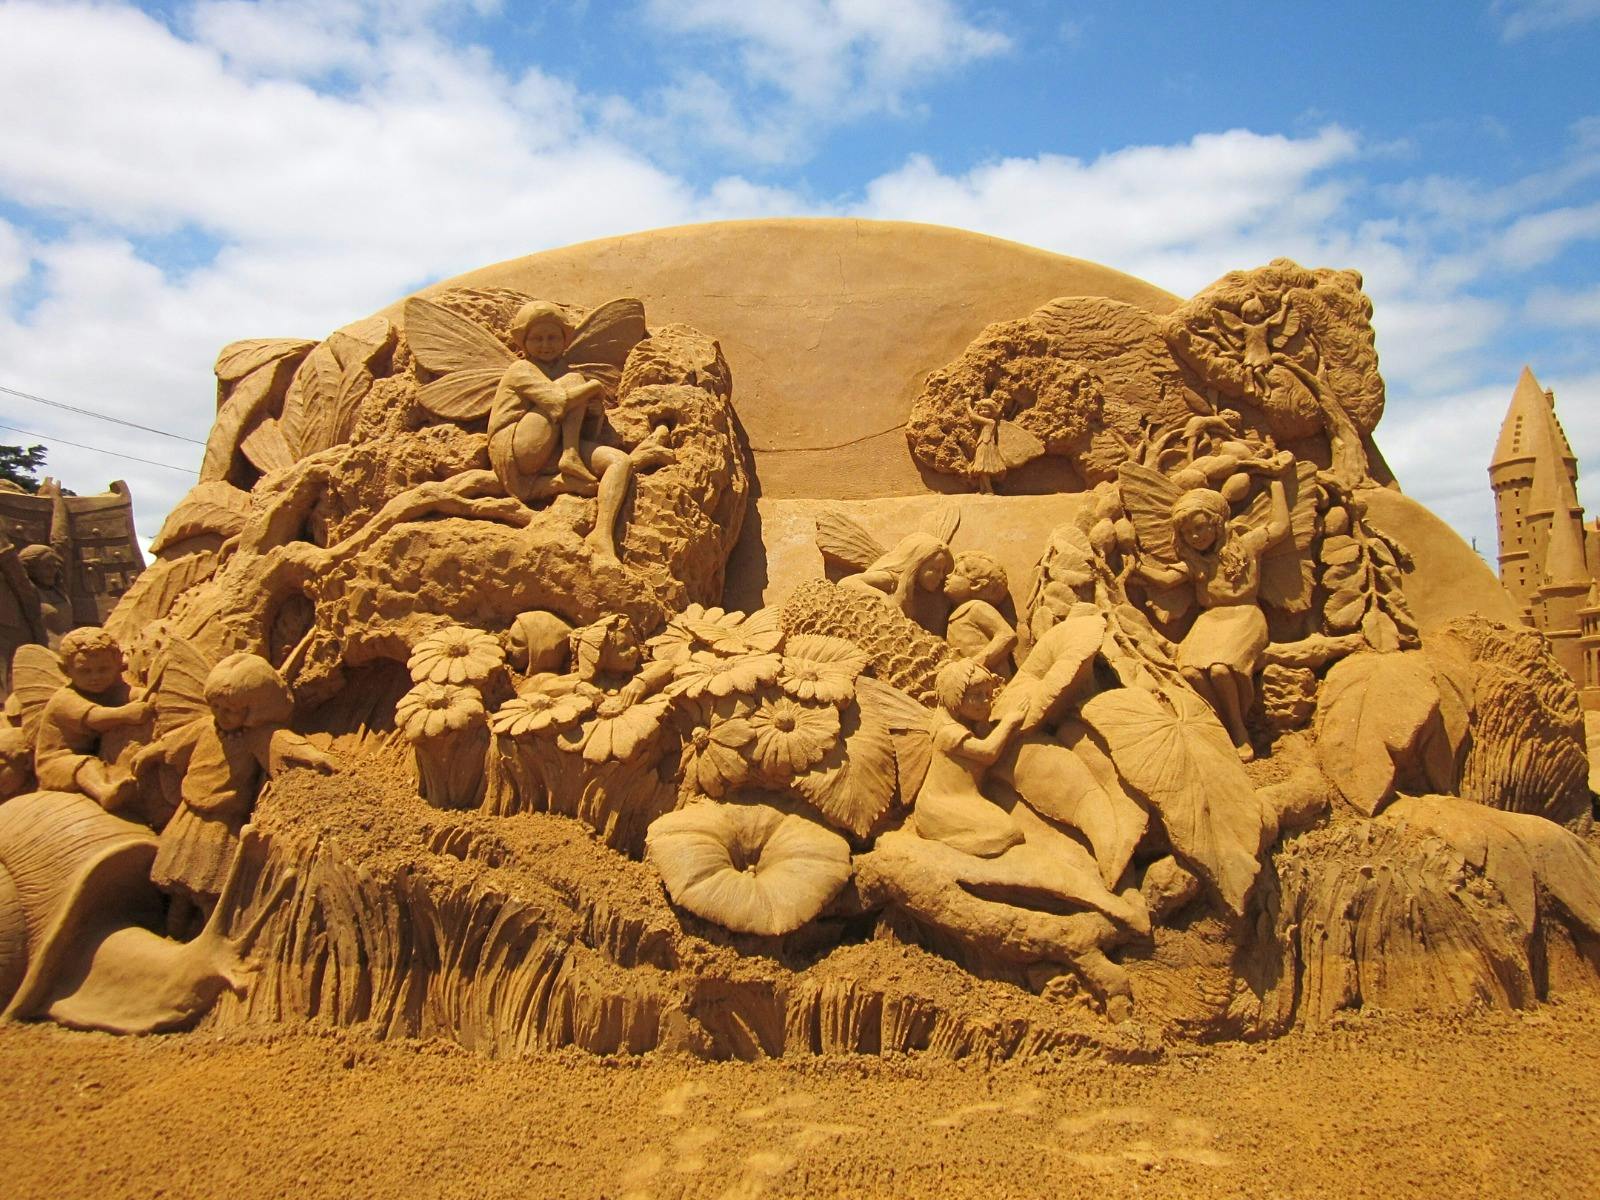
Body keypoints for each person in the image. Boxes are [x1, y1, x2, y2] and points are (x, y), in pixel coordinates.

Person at [140, 653, 334, 924]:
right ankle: (174, 928)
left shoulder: (255, 736)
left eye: (230, 710)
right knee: (179, 884)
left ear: (254, 710)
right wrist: (148, 754)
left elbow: (284, 744)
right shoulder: (206, 727)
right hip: (188, 815)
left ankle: (209, 928)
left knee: (209, 887)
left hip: (223, 823)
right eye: (215, 706)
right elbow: (172, 743)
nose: (220, 714)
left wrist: (314, 756)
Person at [1131, 457, 1293, 760]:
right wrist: (1134, 567)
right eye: (1188, 533)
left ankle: (1238, 730)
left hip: (1243, 616)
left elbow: (1280, 527)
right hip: (1210, 621)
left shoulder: (1247, 545)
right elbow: (1166, 580)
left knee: (1220, 669)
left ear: (1216, 523)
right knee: (1190, 671)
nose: (1195, 537)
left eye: (1200, 528)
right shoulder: (1196, 562)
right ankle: (1218, 726)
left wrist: (1277, 484)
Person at [486, 302, 671, 562]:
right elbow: (557, 402)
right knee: (575, 383)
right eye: (537, 339)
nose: (545, 345)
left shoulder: (562, 372)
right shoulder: (521, 369)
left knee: (619, 462)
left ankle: (602, 535)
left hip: (551, 448)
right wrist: (592, 387)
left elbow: (585, 427)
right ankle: (570, 456)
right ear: (523, 342)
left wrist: (593, 411)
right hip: (516, 452)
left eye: (553, 337)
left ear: (565, 340)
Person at [912, 658, 1026, 857]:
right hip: (941, 804)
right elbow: (988, 753)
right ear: (955, 696)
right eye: (976, 695)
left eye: (988, 695)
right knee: (1007, 832)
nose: (985, 701)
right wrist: (1008, 723)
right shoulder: (948, 732)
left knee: (1009, 830)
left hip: (965, 797)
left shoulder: (966, 723)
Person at [33, 626, 150, 809]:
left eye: (103, 669)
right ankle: (103, 791)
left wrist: (148, 696)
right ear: (66, 670)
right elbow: (96, 718)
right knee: (86, 765)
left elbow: (129, 693)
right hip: (60, 760)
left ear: (118, 663)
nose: (95, 677)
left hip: (96, 752)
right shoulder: (65, 699)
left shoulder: (109, 687)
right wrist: (126, 713)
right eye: (84, 671)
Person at [839, 532, 954, 634]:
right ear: (918, 566)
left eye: (942, 571)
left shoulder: (929, 595)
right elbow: (847, 582)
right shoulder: (893, 579)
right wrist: (884, 599)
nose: (940, 576)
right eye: (934, 569)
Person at [942, 550, 1017, 673]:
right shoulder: (958, 611)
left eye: (957, 573)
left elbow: (1007, 635)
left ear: (976, 585)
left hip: (989, 677)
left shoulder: (977, 607)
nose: (948, 576)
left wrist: (978, 662)